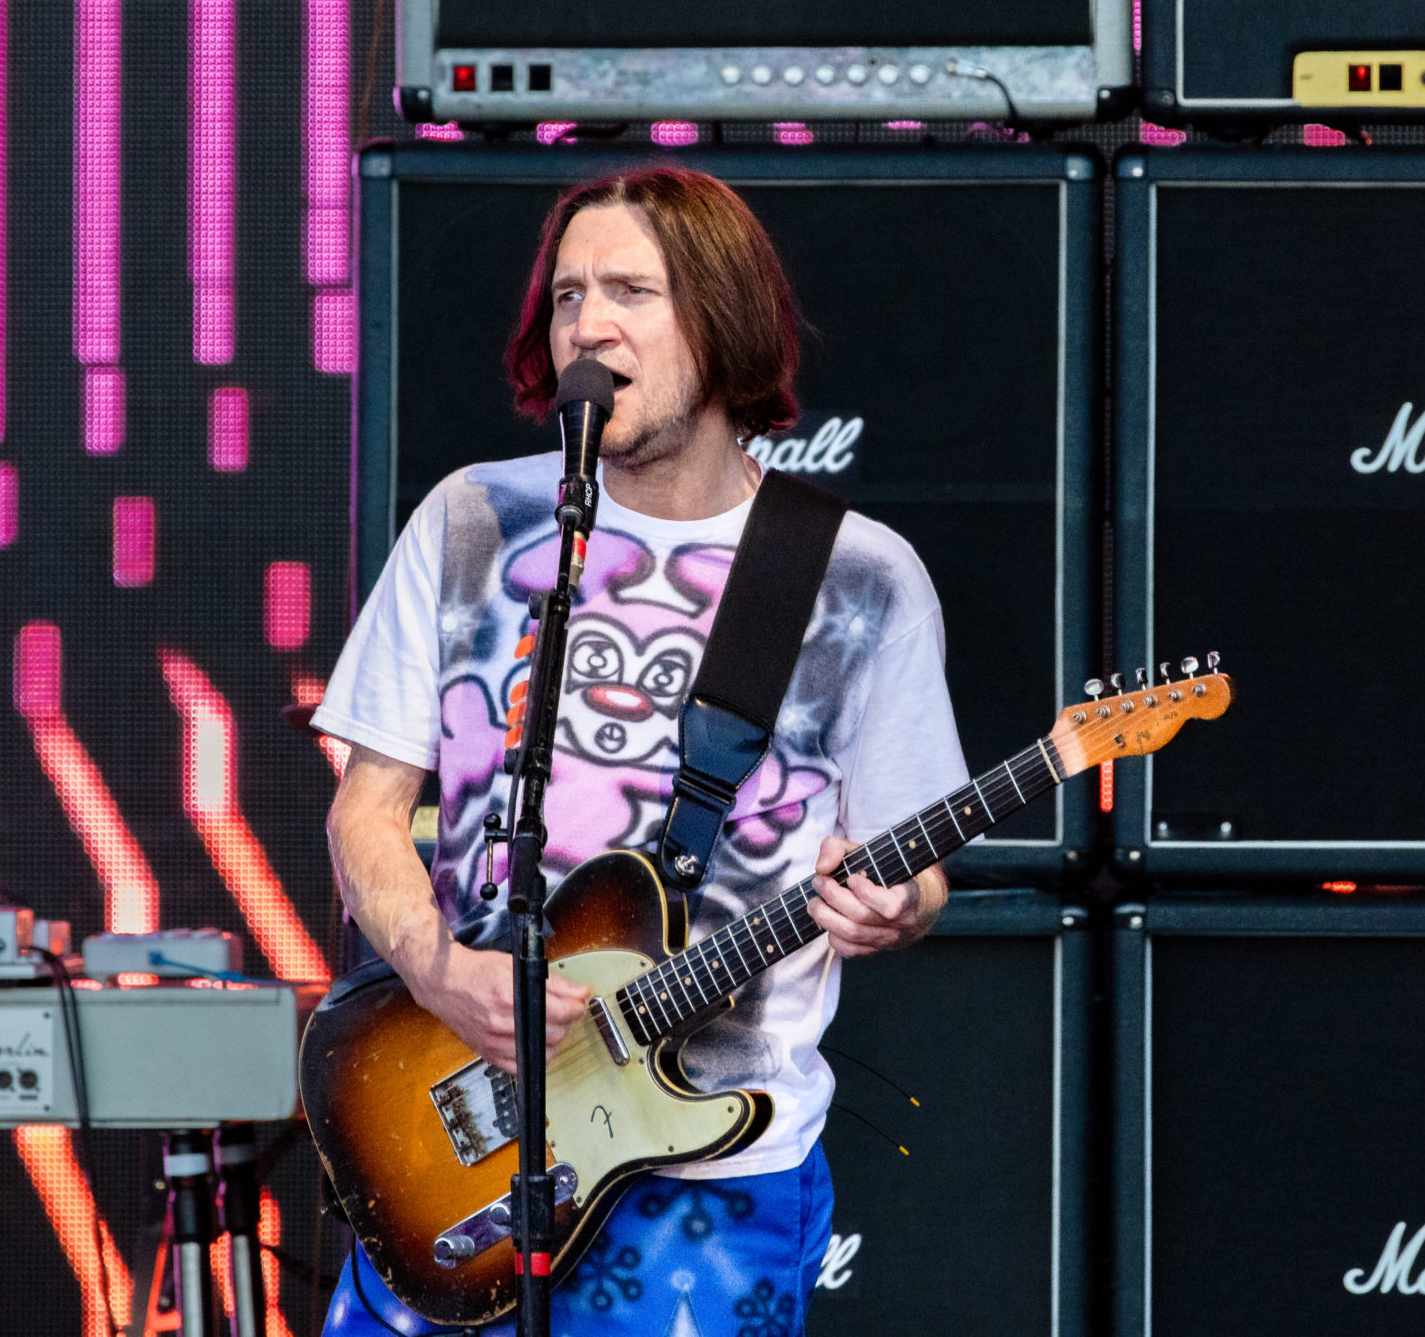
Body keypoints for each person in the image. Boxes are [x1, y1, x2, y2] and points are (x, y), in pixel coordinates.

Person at [315, 167, 969, 1336]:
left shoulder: (860, 578)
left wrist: (895, 906)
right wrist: (439, 971)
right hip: (456, 1144)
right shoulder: (474, 522)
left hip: (711, 1177)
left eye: (629, 291)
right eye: (568, 296)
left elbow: (912, 872)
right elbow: (364, 811)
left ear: (721, 320)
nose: (587, 326)